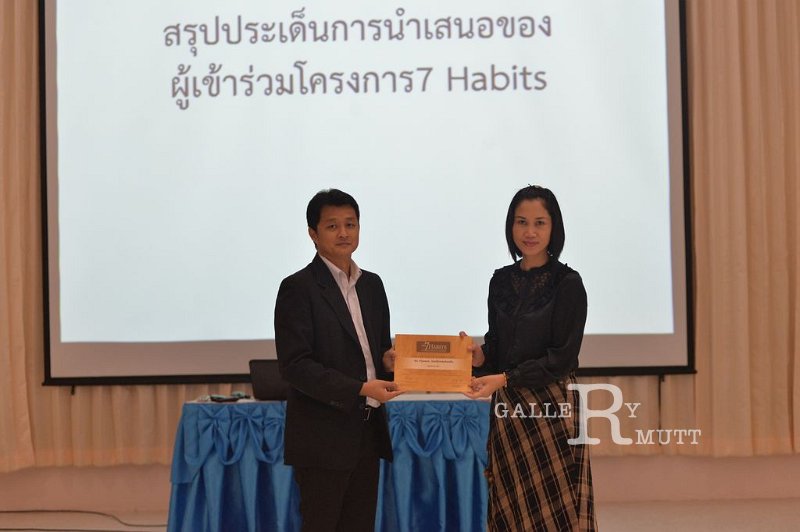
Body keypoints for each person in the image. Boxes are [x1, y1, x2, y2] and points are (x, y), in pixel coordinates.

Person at [463, 185, 597, 531]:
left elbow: (562, 358)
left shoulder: (568, 283)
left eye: (540, 222)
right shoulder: (500, 281)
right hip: (510, 410)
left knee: (555, 512)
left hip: (552, 408)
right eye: (521, 222)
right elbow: (498, 347)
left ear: (554, 228)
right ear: (511, 226)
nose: (530, 232)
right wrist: (478, 356)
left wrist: (505, 378)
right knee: (512, 507)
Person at [274, 189, 402, 532]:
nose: (344, 233)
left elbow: (377, 352)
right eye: (332, 226)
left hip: (367, 431)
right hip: (323, 438)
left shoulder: (372, 285)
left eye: (351, 224)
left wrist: (390, 362)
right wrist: (360, 388)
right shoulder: (298, 288)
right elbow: (295, 365)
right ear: (313, 234)